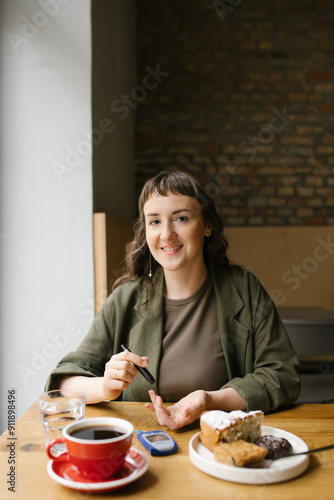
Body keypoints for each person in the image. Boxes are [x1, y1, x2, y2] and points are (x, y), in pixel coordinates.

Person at [45, 170, 300, 430]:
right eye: (154, 222)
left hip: (219, 446)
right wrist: (104, 386)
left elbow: (283, 375)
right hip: (141, 446)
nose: (166, 234)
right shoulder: (125, 299)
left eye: (181, 218)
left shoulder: (244, 288)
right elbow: (63, 381)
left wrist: (210, 400)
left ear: (207, 226)